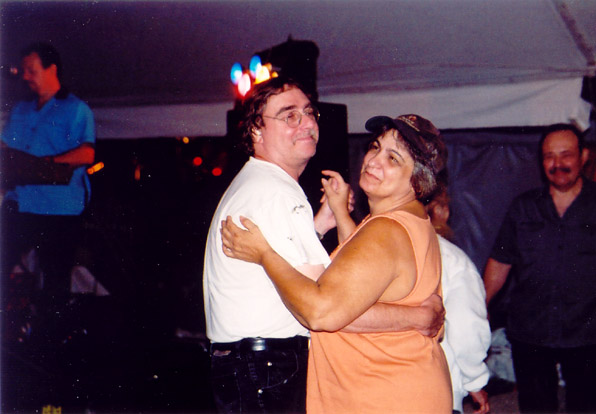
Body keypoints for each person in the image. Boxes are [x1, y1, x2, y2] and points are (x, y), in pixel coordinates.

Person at [203, 79, 445, 413]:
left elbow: (324, 307)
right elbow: (339, 295)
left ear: (418, 180)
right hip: (371, 386)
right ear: (257, 130)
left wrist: (266, 254)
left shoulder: (386, 229)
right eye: (375, 147)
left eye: (393, 158)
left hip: (383, 394)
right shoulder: (408, 224)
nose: (374, 161)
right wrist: (417, 317)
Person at [483, 123, 596, 413]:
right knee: (535, 408)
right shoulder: (523, 207)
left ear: (583, 156)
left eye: (565, 154)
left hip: (587, 332)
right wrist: (480, 305)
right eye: (549, 156)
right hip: (530, 331)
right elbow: (500, 261)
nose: (557, 164)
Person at [1, 42, 96, 317]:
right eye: (24, 71)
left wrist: (45, 165)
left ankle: (49, 336)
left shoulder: (76, 109)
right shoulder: (21, 110)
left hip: (59, 211)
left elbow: (87, 153)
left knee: (55, 281)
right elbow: (6, 148)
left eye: (31, 70)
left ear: (51, 69)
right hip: (21, 204)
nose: (25, 76)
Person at [424, 182, 491, 414]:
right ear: (442, 211)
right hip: (437, 390)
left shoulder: (374, 250)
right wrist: (475, 380)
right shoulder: (453, 260)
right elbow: (466, 329)